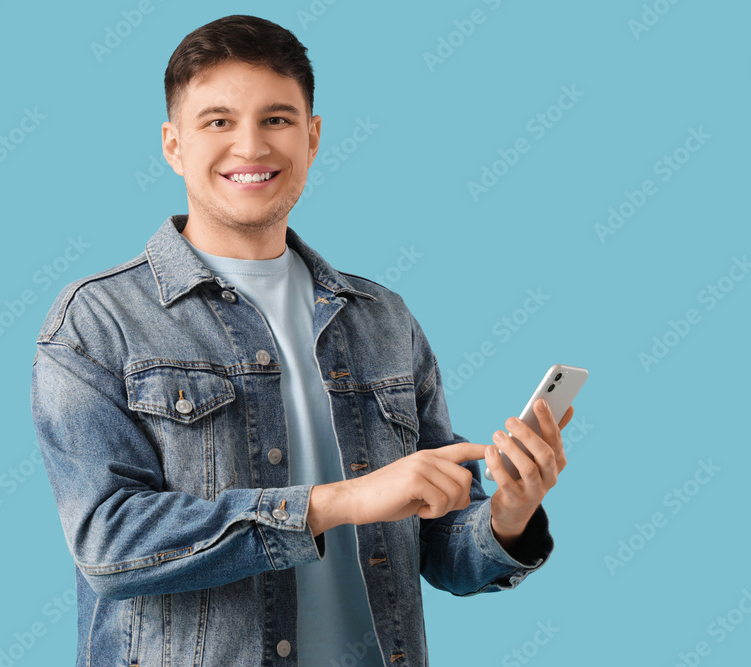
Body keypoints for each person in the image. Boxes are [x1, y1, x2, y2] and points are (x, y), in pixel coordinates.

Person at [30, 14, 574, 666]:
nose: (251, 146)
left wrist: (510, 512)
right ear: (173, 145)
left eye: (277, 119)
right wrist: (337, 501)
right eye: (219, 121)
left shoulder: (382, 318)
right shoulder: (98, 320)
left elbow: (443, 549)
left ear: (312, 138)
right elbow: (109, 544)